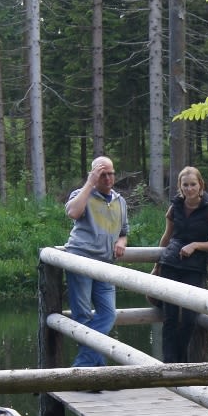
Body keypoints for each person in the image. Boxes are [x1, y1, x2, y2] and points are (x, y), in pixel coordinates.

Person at [152, 166, 208, 363]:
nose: (189, 189)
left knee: (189, 318)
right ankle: (169, 365)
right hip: (170, 265)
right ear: (180, 186)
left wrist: (195, 245)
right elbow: (166, 237)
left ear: (200, 185)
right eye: (185, 185)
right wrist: (157, 266)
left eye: (193, 184)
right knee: (170, 317)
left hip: (194, 268)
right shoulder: (175, 206)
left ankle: (182, 363)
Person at [64, 156, 128, 368]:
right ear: (93, 175)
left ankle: (83, 366)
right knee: (82, 315)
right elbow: (73, 212)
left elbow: (124, 231)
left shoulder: (120, 201)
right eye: (102, 174)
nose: (108, 178)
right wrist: (90, 184)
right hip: (80, 261)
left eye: (111, 173)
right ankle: (95, 369)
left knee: (108, 314)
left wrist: (121, 242)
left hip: (105, 265)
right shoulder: (81, 194)